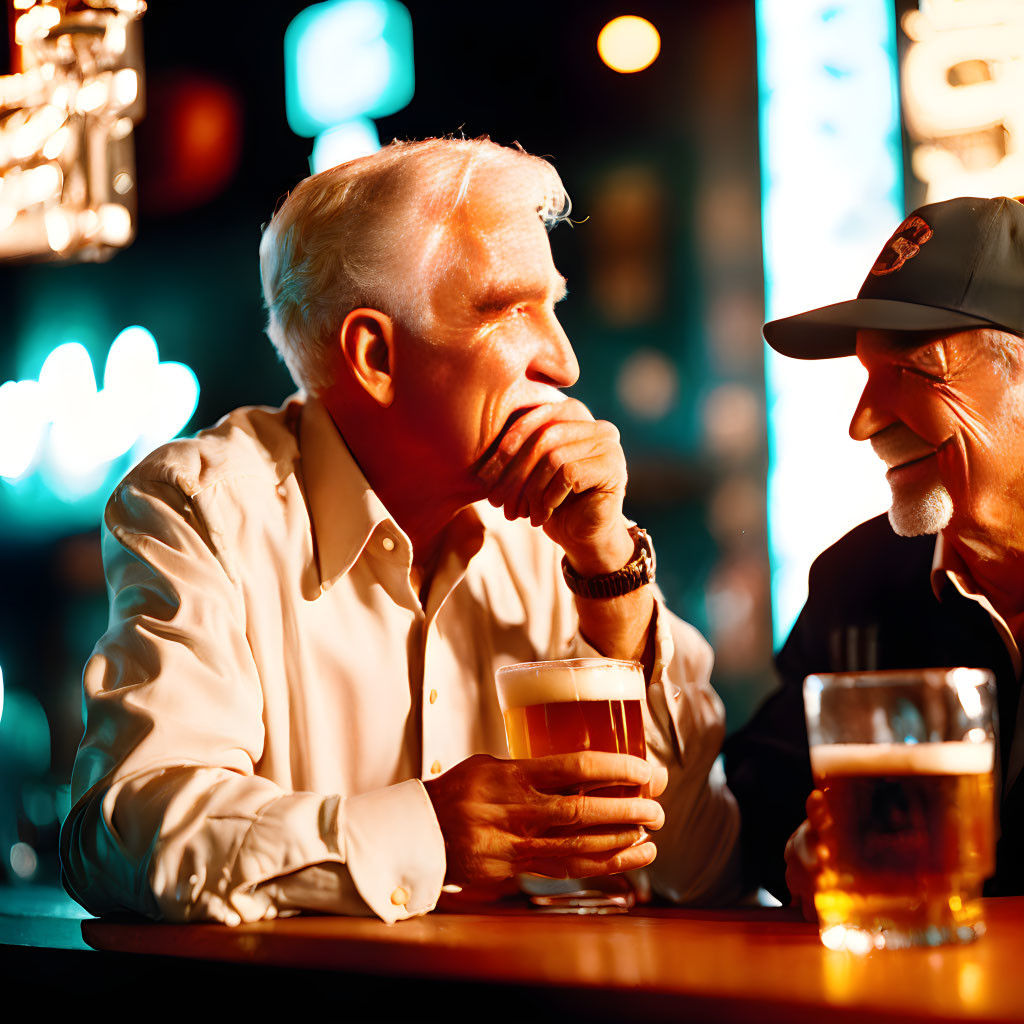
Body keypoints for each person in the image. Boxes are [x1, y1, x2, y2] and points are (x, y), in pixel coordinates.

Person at [59, 137, 740, 924]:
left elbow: (700, 864)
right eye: (508, 309)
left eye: (553, 306)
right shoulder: (204, 506)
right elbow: (123, 835)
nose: (564, 360)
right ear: (375, 355)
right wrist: (429, 832)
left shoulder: (553, 532)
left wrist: (608, 567)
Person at [724, 195, 1024, 914]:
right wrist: (803, 853)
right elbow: (761, 786)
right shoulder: (857, 578)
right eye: (865, 373)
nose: (861, 423)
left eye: (914, 370)